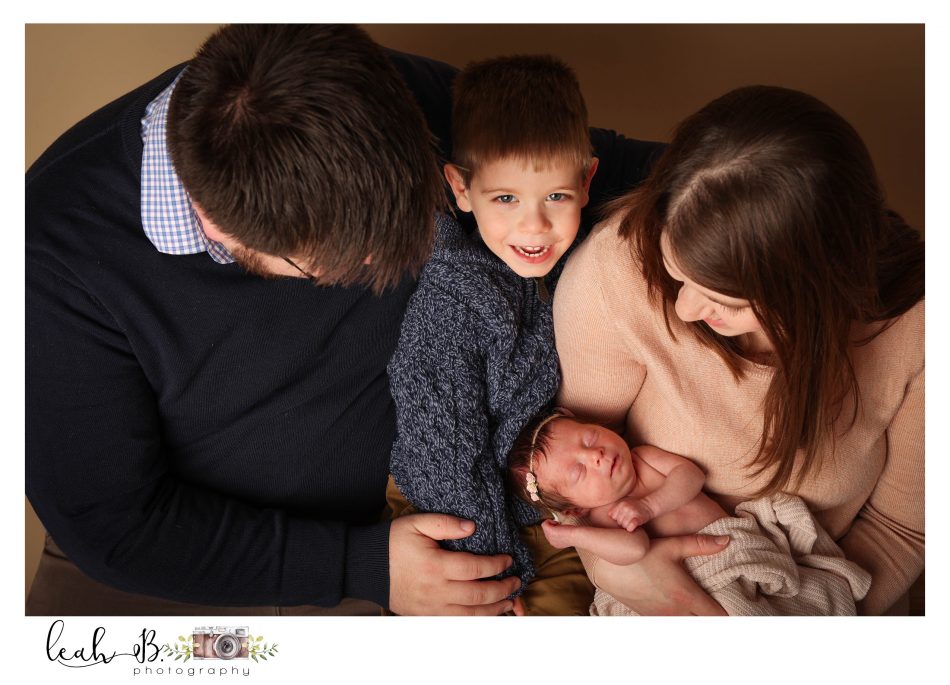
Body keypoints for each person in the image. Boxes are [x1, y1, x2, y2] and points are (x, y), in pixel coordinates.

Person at [25, 24, 668, 615]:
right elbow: (115, 528)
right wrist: (363, 566)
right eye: (346, 264)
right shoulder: (51, 258)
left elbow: (611, 169)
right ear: (218, 225)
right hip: (262, 557)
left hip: (499, 480)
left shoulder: (360, 86)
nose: (395, 261)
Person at [552, 85, 924, 615]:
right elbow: (569, 475)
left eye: (725, 300)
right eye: (676, 275)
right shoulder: (616, 268)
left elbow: (902, 530)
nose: (683, 311)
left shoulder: (919, 328)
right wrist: (637, 580)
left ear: (814, 290)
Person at [387, 55, 600, 615]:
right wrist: (497, 574)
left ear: (585, 182)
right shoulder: (453, 300)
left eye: (556, 196)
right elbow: (444, 453)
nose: (534, 226)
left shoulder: (580, 265)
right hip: (452, 510)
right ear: (461, 189)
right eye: (505, 199)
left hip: (541, 498)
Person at [508, 409, 873, 615]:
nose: (596, 456)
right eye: (579, 472)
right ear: (575, 507)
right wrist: (575, 534)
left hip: (729, 552)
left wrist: (650, 505)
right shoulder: (602, 517)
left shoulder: (643, 459)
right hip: (694, 581)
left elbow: (690, 476)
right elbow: (634, 549)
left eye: (589, 438)